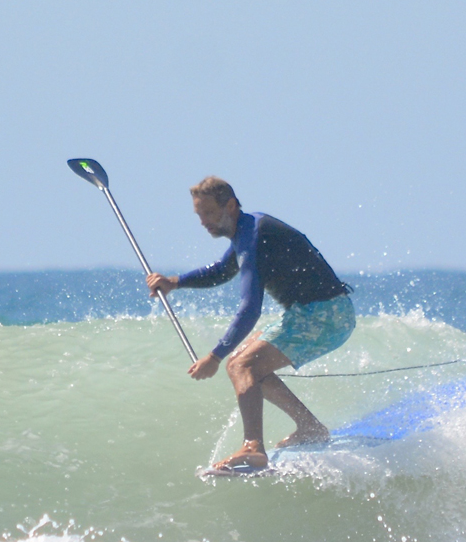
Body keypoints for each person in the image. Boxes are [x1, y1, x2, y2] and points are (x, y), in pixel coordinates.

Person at [147, 176, 355, 472]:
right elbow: (222, 270)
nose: (203, 222)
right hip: (317, 313)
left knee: (241, 365)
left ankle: (253, 448)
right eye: (199, 215)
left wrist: (214, 356)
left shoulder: (255, 234)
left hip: (324, 315)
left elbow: (250, 309)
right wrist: (174, 282)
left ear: (230, 206)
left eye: (209, 212)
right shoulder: (246, 230)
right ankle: (309, 428)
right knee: (243, 362)